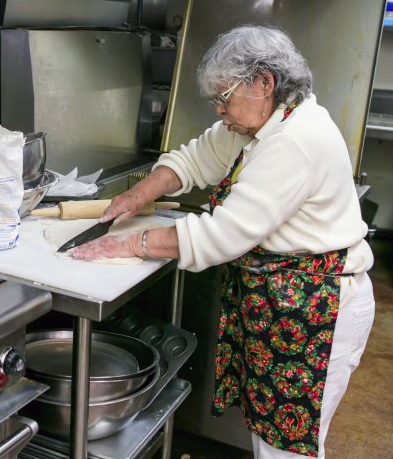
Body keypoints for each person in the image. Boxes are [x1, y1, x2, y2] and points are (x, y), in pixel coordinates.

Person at [70, 25, 375, 459]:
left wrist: (129, 243)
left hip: (318, 311)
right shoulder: (267, 121)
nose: (218, 111)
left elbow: (222, 235)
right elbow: (194, 158)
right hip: (288, 306)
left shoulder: (294, 141)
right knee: (271, 442)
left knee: (285, 450)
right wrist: (140, 193)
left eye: (224, 98)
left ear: (263, 83)